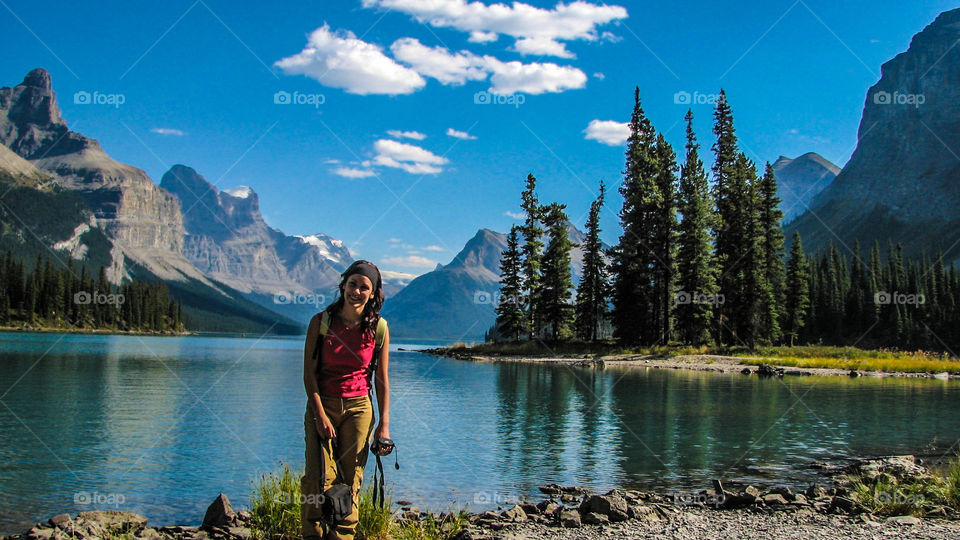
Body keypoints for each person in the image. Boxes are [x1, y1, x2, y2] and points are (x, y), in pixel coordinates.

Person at [301, 260, 392, 540]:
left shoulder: (379, 328)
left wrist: (383, 426)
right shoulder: (321, 322)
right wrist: (319, 415)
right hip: (323, 403)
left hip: (359, 409)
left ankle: (342, 535)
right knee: (317, 479)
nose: (357, 291)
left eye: (365, 287)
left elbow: (381, 380)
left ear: (374, 293)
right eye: (353, 284)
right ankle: (313, 534)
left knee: (350, 480)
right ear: (343, 286)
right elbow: (309, 374)